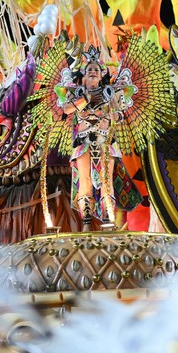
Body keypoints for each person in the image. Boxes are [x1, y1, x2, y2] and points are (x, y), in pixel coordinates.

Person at [55, 46, 128, 229]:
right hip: (83, 142)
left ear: (102, 72)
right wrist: (85, 99)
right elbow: (66, 109)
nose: (93, 72)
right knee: (85, 180)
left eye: (96, 69)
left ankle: (108, 220)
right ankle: (86, 221)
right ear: (84, 74)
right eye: (90, 70)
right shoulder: (77, 93)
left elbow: (118, 117)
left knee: (106, 180)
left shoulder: (111, 93)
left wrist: (110, 102)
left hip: (106, 141)